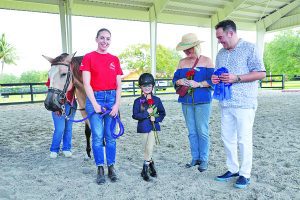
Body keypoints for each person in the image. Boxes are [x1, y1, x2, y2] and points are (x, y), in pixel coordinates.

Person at [212, 20, 266, 189]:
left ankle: (245, 174)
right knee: (227, 138)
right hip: (225, 103)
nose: (219, 41)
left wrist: (237, 78)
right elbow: (217, 74)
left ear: (230, 33)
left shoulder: (250, 48)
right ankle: (233, 169)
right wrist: (214, 79)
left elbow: (261, 73)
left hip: (244, 103)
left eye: (221, 37)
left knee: (243, 139)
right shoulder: (220, 53)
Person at [80, 28, 123, 184]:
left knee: (110, 136)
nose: (105, 41)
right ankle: (100, 168)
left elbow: (119, 85)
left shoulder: (115, 59)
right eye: (102, 38)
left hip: (111, 99)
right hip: (95, 98)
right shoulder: (89, 57)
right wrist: (95, 104)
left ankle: (111, 166)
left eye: (108, 39)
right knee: (97, 136)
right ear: (96, 39)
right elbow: (86, 83)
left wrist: (117, 105)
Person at [172, 33, 214, 172]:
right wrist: (179, 81)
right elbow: (175, 80)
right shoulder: (181, 63)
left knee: (202, 131)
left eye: (189, 48)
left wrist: (199, 84)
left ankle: (204, 159)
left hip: (203, 101)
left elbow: (213, 81)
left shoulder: (207, 61)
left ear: (196, 46)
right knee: (191, 131)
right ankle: (195, 157)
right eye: (185, 49)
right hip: (186, 101)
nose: (186, 51)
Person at [132, 73, 166, 182]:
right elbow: (135, 115)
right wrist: (146, 114)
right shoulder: (138, 101)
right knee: (146, 149)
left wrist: (155, 119)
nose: (147, 88)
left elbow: (162, 113)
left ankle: (144, 169)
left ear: (152, 86)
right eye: (144, 86)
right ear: (141, 87)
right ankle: (151, 165)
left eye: (149, 86)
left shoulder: (157, 100)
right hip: (143, 127)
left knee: (150, 148)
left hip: (153, 127)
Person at [46, 53, 77, 159]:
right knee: (59, 128)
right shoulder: (55, 75)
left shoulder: (71, 73)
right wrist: (56, 106)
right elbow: (52, 89)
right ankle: (54, 149)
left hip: (71, 104)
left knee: (68, 128)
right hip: (57, 103)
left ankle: (66, 148)